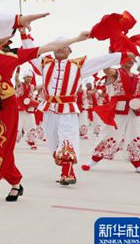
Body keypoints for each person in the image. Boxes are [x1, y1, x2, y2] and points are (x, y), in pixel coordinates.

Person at [0, 12, 89, 206]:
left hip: (6, 105)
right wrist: (22, 20)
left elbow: (50, 47)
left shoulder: (16, 53)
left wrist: (77, 38)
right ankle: (15, 181)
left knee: (1, 144)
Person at [31, 39, 120, 185]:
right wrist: (23, 33)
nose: (60, 49)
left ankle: (66, 173)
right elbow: (31, 53)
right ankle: (68, 170)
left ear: (70, 51)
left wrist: (119, 54)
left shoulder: (78, 66)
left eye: (64, 47)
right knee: (53, 141)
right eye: (57, 46)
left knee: (67, 138)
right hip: (49, 109)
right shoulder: (44, 64)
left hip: (67, 109)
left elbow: (100, 61)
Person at [16, 73, 39, 149]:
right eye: (28, 77)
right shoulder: (20, 85)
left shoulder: (32, 87)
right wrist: (17, 72)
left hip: (29, 108)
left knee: (32, 125)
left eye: (30, 77)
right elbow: (16, 79)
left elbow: (40, 87)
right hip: (20, 108)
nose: (29, 78)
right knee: (18, 125)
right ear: (24, 77)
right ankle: (13, 142)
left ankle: (31, 141)